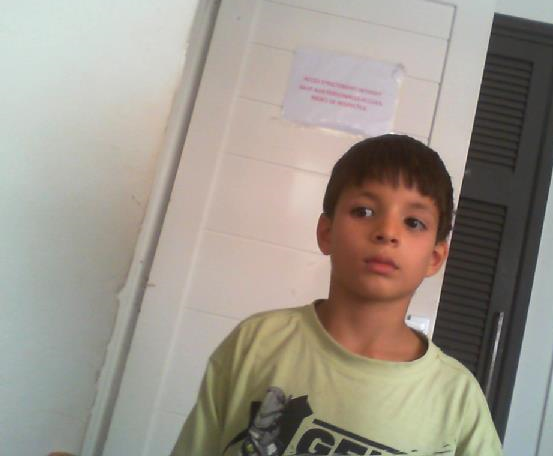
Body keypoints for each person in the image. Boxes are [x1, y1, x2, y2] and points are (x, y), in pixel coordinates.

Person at [171, 134, 503, 455]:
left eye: (413, 222)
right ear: (326, 233)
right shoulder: (256, 342)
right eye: (364, 212)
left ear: (435, 257)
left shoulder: (457, 398)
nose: (387, 232)